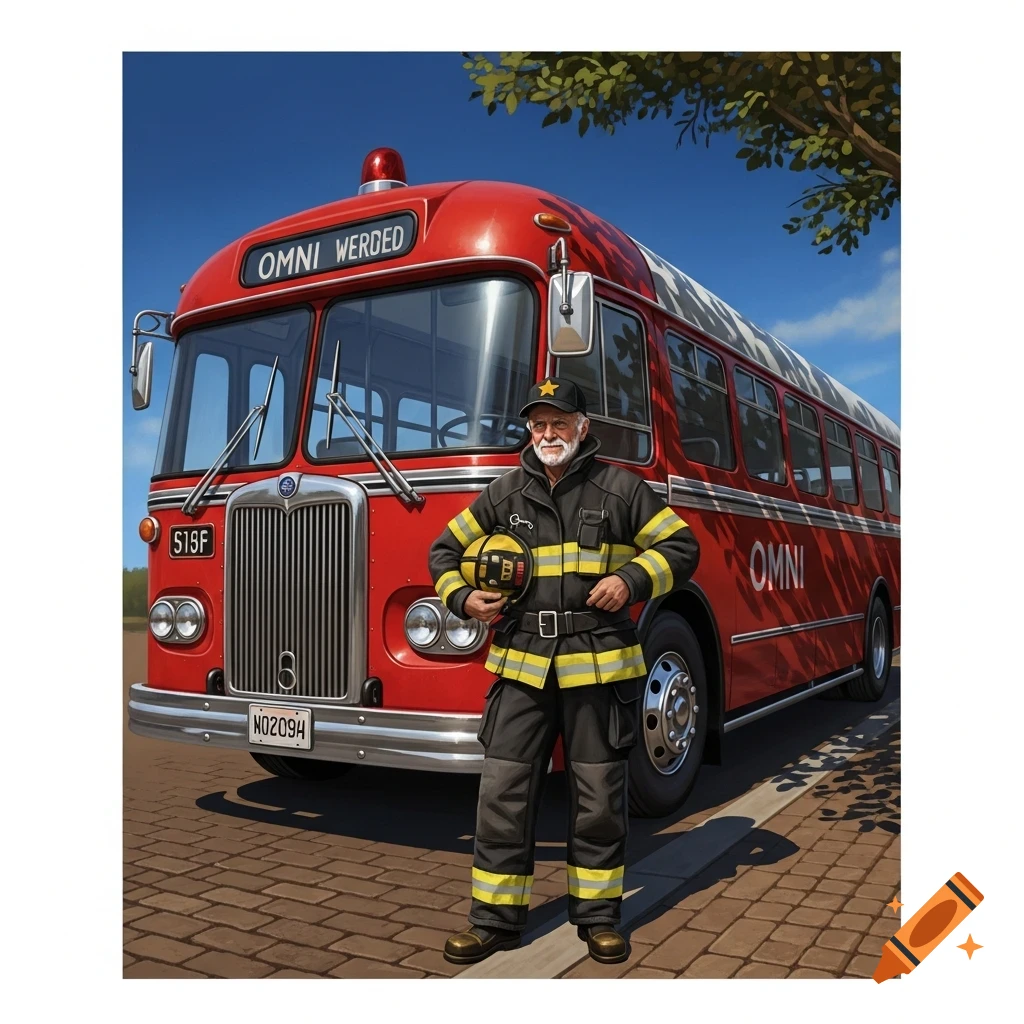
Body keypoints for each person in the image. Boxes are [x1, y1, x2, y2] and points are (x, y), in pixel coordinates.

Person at [428, 377, 700, 965]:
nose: (548, 434)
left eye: (559, 423)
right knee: (503, 794)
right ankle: (494, 923)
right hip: (521, 667)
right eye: (538, 425)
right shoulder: (503, 493)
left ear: (583, 426)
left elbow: (681, 548)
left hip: (599, 667)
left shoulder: (622, 488)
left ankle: (599, 918)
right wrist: (462, 600)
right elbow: (443, 553)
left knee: (599, 798)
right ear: (530, 431)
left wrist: (630, 580)